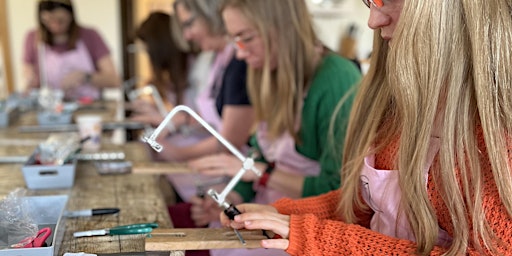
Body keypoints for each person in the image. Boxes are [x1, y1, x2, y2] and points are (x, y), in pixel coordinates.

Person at [219, 0, 512, 255]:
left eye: (391, 0)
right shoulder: (393, 104)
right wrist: (281, 213)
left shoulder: (494, 136)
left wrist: (312, 235)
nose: (373, 20)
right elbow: (364, 204)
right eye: (370, 1)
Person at [187, 0, 361, 255]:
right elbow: (260, 151)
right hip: (272, 213)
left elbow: (339, 191)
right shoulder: (270, 74)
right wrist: (233, 199)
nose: (239, 53)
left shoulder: (336, 78)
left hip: (311, 232)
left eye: (245, 38)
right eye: (234, 39)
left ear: (281, 28)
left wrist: (259, 172)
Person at [23, 0, 120, 101]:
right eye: (48, 21)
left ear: (71, 15)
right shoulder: (33, 38)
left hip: (89, 107)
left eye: (60, 20)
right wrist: (30, 84)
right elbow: (29, 77)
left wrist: (85, 77)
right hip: (51, 108)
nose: (55, 26)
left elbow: (115, 81)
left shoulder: (90, 36)